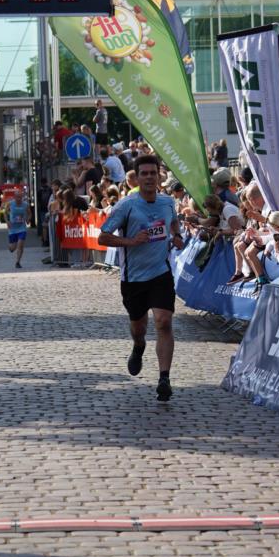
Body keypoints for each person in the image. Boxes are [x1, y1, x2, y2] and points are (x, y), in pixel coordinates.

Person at [98, 153, 183, 401]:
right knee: (139, 327)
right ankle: (138, 346)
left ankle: (164, 378)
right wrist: (131, 241)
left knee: (164, 322)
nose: (148, 178)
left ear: (159, 176)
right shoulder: (126, 205)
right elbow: (103, 237)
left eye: (152, 173)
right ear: (137, 177)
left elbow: (173, 222)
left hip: (160, 273)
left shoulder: (167, 202)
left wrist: (176, 236)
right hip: (133, 279)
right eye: (144, 174)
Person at [5, 188, 30, 269]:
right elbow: (5, 213)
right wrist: (7, 221)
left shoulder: (25, 204)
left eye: (20, 197)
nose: (19, 199)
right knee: (13, 248)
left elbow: (30, 213)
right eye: (17, 197)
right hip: (12, 229)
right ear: (14, 197)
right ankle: (10, 247)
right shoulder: (10, 204)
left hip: (22, 228)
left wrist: (28, 219)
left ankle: (18, 262)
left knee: (20, 245)